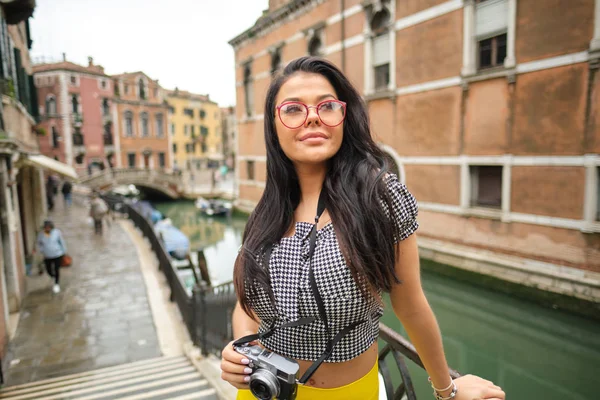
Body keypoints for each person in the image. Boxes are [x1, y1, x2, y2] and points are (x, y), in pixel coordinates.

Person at [220, 57, 505, 400]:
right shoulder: (265, 212)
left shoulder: (380, 198)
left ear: (344, 118)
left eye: (327, 106)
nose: (312, 117)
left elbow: (410, 303)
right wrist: (239, 351)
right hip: (262, 390)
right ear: (274, 125)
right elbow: (246, 306)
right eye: (293, 109)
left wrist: (447, 389)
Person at [36, 220, 66, 294]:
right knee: (48, 270)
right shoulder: (41, 234)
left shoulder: (57, 232)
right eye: (46, 227)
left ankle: (56, 283)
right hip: (47, 255)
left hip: (57, 254)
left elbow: (61, 242)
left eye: (49, 227)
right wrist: (42, 250)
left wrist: (64, 251)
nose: (47, 228)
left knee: (56, 269)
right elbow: (39, 243)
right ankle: (53, 276)